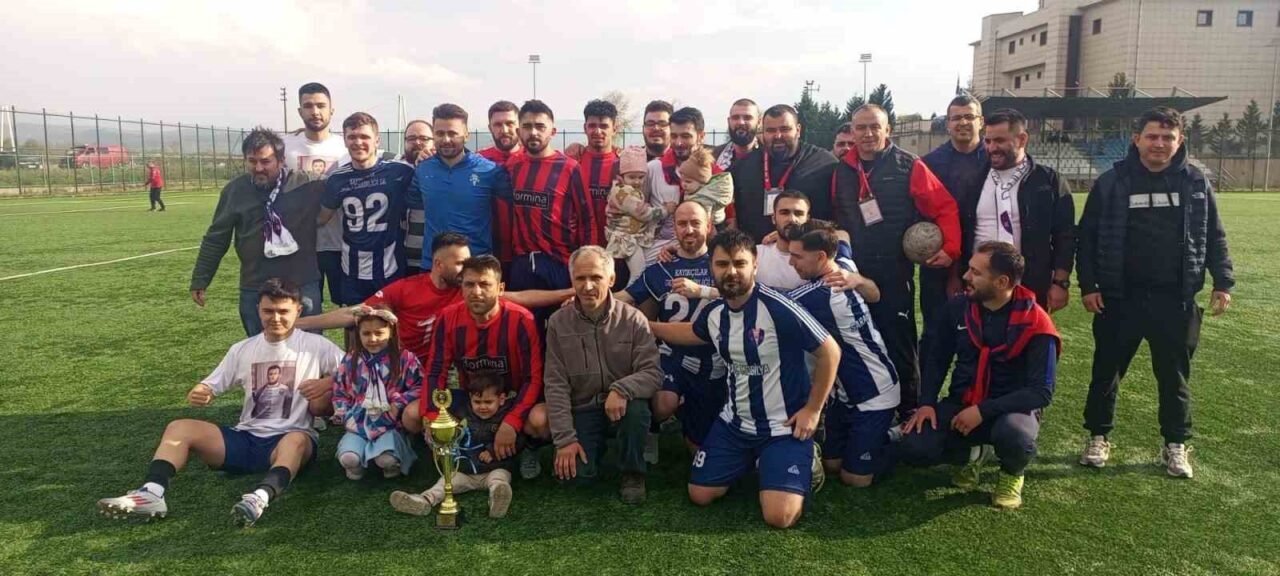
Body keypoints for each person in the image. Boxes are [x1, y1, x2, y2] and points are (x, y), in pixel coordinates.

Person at [96, 279, 342, 527]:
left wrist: (328, 382)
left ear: (298, 310)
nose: (275, 318)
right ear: (258, 309)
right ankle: (152, 492)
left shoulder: (316, 345)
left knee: (297, 439)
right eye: (268, 311)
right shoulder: (242, 349)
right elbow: (210, 385)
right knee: (179, 427)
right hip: (246, 438)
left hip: (290, 439)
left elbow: (355, 371)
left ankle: (259, 498)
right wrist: (201, 391)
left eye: (283, 311)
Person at [1076, 106, 1234, 478]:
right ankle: (1098, 436)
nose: (1159, 144)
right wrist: (1089, 285)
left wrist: (1223, 281)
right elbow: (1087, 238)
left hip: (1175, 299)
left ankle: (1175, 444)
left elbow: (1214, 234)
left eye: (1167, 137)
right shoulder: (1112, 182)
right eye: (1152, 136)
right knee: (1106, 373)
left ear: (1180, 141)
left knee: (1174, 377)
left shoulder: (1195, 182)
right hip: (1120, 297)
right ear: (1137, 139)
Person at [650, 229, 841, 529]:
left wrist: (813, 410)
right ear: (711, 267)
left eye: (739, 263)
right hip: (735, 424)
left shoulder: (778, 306)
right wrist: (645, 325)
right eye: (722, 264)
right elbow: (691, 333)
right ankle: (759, 461)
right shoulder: (714, 313)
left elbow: (830, 352)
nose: (731, 272)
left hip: (783, 426)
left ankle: (804, 458)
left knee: (779, 518)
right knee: (700, 494)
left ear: (754, 264)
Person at [899, 242, 1060, 510]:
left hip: (1010, 410)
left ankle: (1011, 473)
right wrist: (926, 403)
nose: (965, 276)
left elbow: (1041, 392)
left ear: (1002, 282)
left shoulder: (1037, 323)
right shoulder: (958, 307)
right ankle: (971, 454)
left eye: (975, 272)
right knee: (915, 447)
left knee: (1015, 436)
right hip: (962, 402)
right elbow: (937, 359)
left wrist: (982, 411)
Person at [830, 104, 961, 416]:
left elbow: (944, 206)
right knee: (854, 340)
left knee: (898, 341)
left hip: (894, 271)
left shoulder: (908, 165)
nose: (868, 133)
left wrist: (951, 248)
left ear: (887, 130)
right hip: (852, 271)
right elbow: (833, 216)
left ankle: (907, 410)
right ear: (852, 131)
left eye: (875, 126)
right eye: (861, 127)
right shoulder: (841, 170)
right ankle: (859, 408)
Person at [545, 246, 664, 504]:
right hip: (583, 408)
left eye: (596, 277)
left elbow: (652, 372)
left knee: (637, 411)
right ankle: (591, 452)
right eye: (580, 278)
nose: (588, 286)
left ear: (611, 279)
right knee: (577, 479)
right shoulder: (557, 323)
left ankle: (633, 473)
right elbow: (555, 384)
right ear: (572, 280)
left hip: (623, 407)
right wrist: (565, 440)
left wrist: (621, 389)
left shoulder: (633, 319)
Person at [784, 221, 897, 488]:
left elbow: (762, 301)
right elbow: (843, 234)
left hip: (874, 392)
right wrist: (857, 278)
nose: (791, 262)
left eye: (797, 256)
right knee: (832, 464)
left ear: (821, 256)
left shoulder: (822, 294)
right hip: (843, 393)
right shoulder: (844, 265)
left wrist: (706, 292)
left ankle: (896, 435)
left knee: (855, 479)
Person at [421, 255, 550, 480]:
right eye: (469, 284)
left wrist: (512, 421)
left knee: (540, 420)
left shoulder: (522, 319)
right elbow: (435, 371)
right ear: (461, 287)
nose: (476, 292)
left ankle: (529, 447)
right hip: (474, 400)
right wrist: (432, 415)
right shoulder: (448, 317)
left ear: (500, 288)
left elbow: (534, 378)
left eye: (484, 284)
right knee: (413, 415)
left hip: (511, 399)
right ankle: (454, 450)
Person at [190, 127, 326, 337]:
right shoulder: (236, 190)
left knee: (309, 348)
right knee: (260, 348)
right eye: (252, 161)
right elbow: (216, 238)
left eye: (265, 161)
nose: (258, 168)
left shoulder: (308, 184)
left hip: (301, 283)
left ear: (281, 160)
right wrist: (201, 278)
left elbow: (344, 185)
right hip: (255, 285)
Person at [616, 201, 725, 457]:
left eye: (695, 223)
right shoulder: (661, 268)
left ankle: (687, 412)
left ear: (708, 226)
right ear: (673, 228)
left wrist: (702, 291)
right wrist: (588, 298)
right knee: (663, 404)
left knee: (701, 448)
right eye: (682, 224)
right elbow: (626, 296)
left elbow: (744, 293)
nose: (689, 230)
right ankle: (653, 427)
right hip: (672, 354)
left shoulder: (721, 263)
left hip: (713, 357)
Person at [967, 109, 1074, 310]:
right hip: (980, 284)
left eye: (1000, 140)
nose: (992, 147)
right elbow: (964, 231)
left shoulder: (1049, 181)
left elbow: (1065, 236)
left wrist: (1060, 283)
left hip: (1030, 284)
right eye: (988, 141)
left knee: (1026, 331)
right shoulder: (974, 180)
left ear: (1022, 139)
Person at [498, 100, 590, 329]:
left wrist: (586, 265)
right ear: (519, 131)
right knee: (524, 330)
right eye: (527, 126)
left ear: (553, 131)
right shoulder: (511, 166)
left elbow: (587, 220)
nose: (533, 132)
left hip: (560, 264)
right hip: (522, 264)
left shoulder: (570, 168)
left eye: (540, 126)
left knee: (566, 330)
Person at [920, 95, 989, 377]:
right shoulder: (929, 164)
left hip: (986, 263)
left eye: (969, 116)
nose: (962, 122)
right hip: (939, 263)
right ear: (947, 124)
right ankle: (924, 398)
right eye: (956, 117)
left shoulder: (996, 160)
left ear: (981, 121)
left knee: (984, 336)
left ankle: (974, 396)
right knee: (935, 335)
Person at [318, 112, 417, 305]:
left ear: (377, 140)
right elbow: (322, 218)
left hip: (390, 265)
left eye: (364, 136)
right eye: (352, 137)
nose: (358, 142)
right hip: (352, 268)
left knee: (391, 318)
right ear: (345, 141)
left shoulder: (399, 171)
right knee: (353, 319)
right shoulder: (337, 179)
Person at [389, 372, 518, 519]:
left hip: (495, 468)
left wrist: (492, 452)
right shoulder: (462, 413)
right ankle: (424, 500)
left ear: (501, 399)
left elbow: (518, 441)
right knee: (446, 482)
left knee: (500, 480)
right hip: (465, 472)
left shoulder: (507, 417)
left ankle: (497, 499)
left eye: (488, 402)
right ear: (470, 398)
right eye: (477, 402)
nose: (482, 407)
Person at [414, 104, 510, 268]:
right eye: (440, 134)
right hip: (434, 266)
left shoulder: (489, 170)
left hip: (476, 267)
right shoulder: (422, 168)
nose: (446, 140)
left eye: (453, 133)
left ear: (466, 135)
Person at [332, 305, 423, 480]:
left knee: (386, 460)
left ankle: (393, 460)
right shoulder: (351, 360)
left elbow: (420, 387)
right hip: (357, 421)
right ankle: (355, 464)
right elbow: (340, 391)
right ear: (358, 334)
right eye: (366, 334)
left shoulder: (405, 358)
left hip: (390, 422)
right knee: (349, 458)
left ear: (391, 332)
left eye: (379, 333)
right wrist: (342, 413)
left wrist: (399, 402)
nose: (373, 339)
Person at [281, 82, 348, 307]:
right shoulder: (285, 146)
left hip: (342, 244)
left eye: (321, 105)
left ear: (332, 110)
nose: (315, 111)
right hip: (302, 247)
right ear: (300, 111)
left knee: (349, 307)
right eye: (308, 106)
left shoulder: (346, 147)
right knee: (304, 308)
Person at [729, 104, 838, 241]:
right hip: (755, 250)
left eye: (785, 129)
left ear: (798, 130)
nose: (778, 136)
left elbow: (838, 217)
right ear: (762, 132)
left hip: (806, 249)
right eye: (770, 130)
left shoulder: (824, 163)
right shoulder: (743, 166)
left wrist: (794, 233)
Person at [645, 107, 723, 262]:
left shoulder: (716, 175)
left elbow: (729, 223)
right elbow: (639, 216)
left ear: (701, 136)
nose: (678, 143)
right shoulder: (653, 168)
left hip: (700, 260)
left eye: (686, 136)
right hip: (657, 259)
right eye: (674, 136)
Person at [605, 146, 666, 285]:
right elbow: (643, 213)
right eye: (632, 177)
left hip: (631, 238)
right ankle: (629, 295)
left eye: (641, 177)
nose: (637, 181)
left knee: (637, 271)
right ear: (622, 176)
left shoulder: (631, 190)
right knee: (638, 273)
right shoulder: (622, 192)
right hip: (626, 239)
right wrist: (665, 210)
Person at [479, 100, 524, 273]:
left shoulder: (533, 159)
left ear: (519, 125)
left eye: (510, 123)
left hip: (524, 254)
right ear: (490, 128)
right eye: (498, 124)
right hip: (487, 252)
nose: (504, 130)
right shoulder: (478, 161)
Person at [579, 99, 621, 248]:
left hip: (616, 249)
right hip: (580, 248)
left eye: (604, 126)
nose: (598, 131)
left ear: (614, 129)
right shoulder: (573, 161)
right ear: (585, 128)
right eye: (592, 126)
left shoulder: (624, 164)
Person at [400, 119, 435, 276]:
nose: (417, 142)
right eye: (411, 138)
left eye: (424, 138)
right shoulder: (393, 169)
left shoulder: (443, 170)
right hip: (399, 259)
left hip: (432, 259)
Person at [678, 146, 734, 231]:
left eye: (688, 182)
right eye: (682, 181)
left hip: (714, 226)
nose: (684, 185)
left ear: (701, 183)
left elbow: (706, 219)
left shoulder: (704, 198)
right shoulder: (694, 192)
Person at [712, 98, 761, 171]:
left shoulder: (768, 158)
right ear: (729, 121)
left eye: (747, 118)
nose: (741, 122)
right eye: (735, 118)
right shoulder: (713, 157)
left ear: (759, 122)